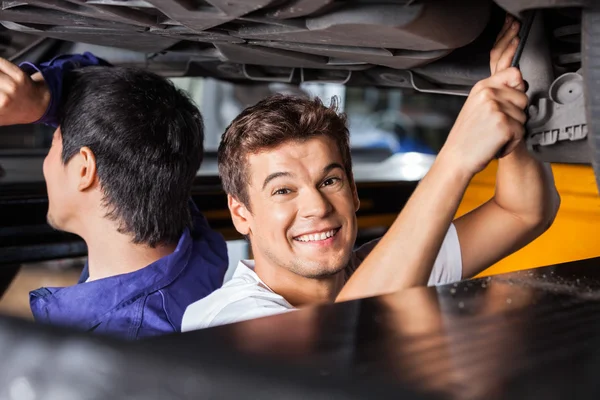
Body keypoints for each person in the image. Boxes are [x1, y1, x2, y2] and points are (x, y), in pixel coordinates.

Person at [181, 14, 560, 330]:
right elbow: (343, 341)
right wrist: (456, 157)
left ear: (354, 191)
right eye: (283, 191)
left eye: (330, 181)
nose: (317, 206)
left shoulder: (388, 265)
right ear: (240, 213)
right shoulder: (230, 321)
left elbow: (522, 212)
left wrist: (512, 99)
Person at [0, 57, 228, 339]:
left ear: (85, 169)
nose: (46, 163)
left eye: (53, 143)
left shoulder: (115, 346)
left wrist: (42, 98)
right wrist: (42, 100)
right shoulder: (194, 250)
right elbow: (125, 98)